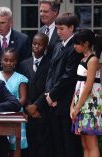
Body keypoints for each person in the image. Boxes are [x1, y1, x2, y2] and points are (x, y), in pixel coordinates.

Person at [39, 12, 83, 157]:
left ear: (71, 28)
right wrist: (48, 94)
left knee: (69, 143)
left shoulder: (75, 48)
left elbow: (69, 76)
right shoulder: (58, 45)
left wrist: (53, 94)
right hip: (53, 102)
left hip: (66, 100)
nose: (58, 32)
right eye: (57, 28)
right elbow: (51, 71)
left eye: (61, 28)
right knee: (56, 142)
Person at [19, 33, 52, 157]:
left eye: (40, 44)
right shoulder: (24, 64)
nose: (36, 46)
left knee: (42, 144)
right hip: (27, 111)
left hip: (42, 111)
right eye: (34, 43)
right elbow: (21, 86)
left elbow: (49, 87)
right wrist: (28, 105)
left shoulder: (51, 63)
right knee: (29, 143)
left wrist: (36, 106)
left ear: (46, 46)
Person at [0, 48, 28, 157]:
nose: (8, 63)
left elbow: (23, 99)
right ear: (0, 61)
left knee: (15, 148)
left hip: (16, 116)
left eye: (12, 60)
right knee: (0, 147)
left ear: (16, 62)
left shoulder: (21, 78)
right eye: (5, 60)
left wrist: (11, 108)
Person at [70, 29, 101, 157]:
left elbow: (88, 87)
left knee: (91, 142)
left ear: (86, 43)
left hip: (90, 105)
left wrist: (77, 107)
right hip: (81, 103)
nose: (74, 46)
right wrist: (72, 105)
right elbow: (79, 85)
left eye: (77, 43)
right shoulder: (84, 59)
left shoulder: (93, 60)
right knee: (84, 143)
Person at [0, 6, 31, 76]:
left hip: (17, 82)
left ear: (10, 23)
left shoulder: (23, 39)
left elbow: (26, 65)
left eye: (2, 23)